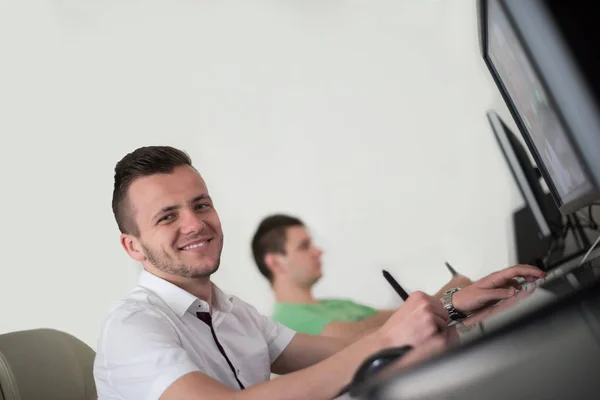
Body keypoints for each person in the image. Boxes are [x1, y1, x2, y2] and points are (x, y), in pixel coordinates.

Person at [93, 145, 545, 400]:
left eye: (201, 204)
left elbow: (344, 350)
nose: (194, 223)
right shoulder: (132, 326)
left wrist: (452, 306)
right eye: (167, 216)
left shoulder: (231, 311)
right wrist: (392, 339)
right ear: (132, 246)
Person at [251, 214, 473, 340]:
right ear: (276, 263)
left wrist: (447, 295)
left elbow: (400, 316)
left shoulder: (338, 304)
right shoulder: (287, 321)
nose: (318, 251)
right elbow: (365, 337)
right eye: (304, 246)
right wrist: (449, 293)